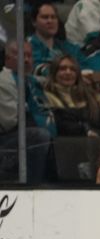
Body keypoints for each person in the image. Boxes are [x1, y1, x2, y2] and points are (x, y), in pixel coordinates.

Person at [0, 41, 56, 183]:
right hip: (6, 138)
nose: (26, 60)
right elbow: (9, 122)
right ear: (6, 59)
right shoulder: (5, 80)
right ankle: (32, 186)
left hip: (24, 134)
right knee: (38, 136)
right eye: (20, 55)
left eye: (29, 56)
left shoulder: (34, 82)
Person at [43, 55, 100, 137]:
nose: (68, 72)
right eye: (62, 69)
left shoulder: (93, 97)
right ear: (54, 73)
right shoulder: (46, 96)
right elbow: (59, 125)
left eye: (73, 69)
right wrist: (85, 130)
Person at [28, 3, 90, 78]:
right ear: (34, 22)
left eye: (53, 17)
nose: (50, 21)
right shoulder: (28, 47)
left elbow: (86, 67)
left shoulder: (68, 46)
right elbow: (37, 68)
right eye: (45, 17)